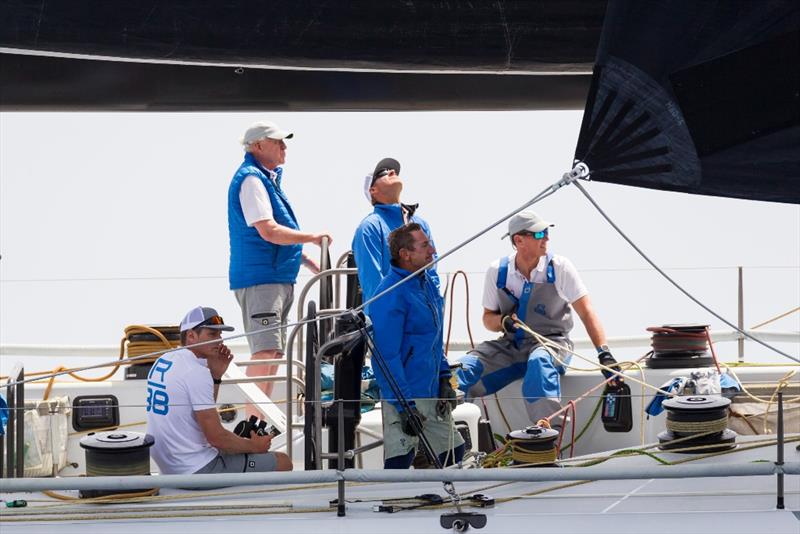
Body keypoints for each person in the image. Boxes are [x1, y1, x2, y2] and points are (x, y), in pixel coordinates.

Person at [456, 211, 621, 429]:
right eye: (540, 233)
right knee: (464, 369)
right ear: (519, 240)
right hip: (511, 346)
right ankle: (451, 439)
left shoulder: (560, 267)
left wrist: (604, 354)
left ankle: (547, 441)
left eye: (547, 232)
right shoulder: (497, 271)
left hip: (552, 344)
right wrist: (503, 322)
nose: (547, 238)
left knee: (539, 362)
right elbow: (488, 319)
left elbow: (586, 312)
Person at [228, 121, 332, 400]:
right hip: (262, 280)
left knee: (272, 354)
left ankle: (258, 426)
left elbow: (271, 235)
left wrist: (308, 261)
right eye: (278, 141)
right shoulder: (252, 180)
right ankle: (251, 427)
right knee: (264, 354)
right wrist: (312, 237)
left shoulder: (264, 180)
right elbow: (268, 231)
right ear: (259, 146)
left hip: (275, 279)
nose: (285, 146)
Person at [146, 306, 293, 475]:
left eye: (220, 335)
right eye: (212, 334)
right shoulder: (196, 372)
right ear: (191, 336)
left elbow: (199, 415)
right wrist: (255, 446)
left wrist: (216, 375)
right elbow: (216, 438)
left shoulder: (163, 360)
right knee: (284, 461)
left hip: (170, 466)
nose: (219, 340)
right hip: (196, 468)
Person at [367, 223, 464, 469]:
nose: (432, 249)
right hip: (404, 395)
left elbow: (433, 339)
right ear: (405, 254)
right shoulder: (390, 294)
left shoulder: (427, 284)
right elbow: (385, 357)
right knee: (401, 461)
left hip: (430, 391)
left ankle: (446, 505)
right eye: (424, 245)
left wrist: (444, 379)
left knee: (454, 451)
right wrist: (404, 407)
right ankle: (392, 503)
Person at [352, 157, 439, 310]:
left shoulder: (421, 224)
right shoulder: (369, 227)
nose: (393, 171)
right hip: (391, 320)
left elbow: (432, 272)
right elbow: (374, 285)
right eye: (384, 172)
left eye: (394, 171)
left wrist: (435, 307)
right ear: (373, 190)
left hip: (424, 320)